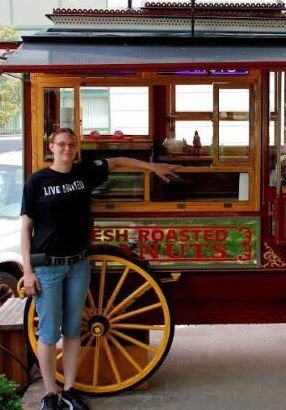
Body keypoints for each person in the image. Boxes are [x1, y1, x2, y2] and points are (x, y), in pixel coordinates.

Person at [21, 128, 178, 410]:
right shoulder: (36, 182)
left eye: (71, 144)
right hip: (48, 267)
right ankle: (49, 393)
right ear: (51, 147)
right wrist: (28, 270)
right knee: (47, 333)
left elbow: (117, 160)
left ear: (76, 147)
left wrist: (151, 167)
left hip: (79, 264)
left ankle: (69, 390)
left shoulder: (84, 173)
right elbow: (26, 227)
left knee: (72, 330)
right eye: (61, 144)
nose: (67, 149)